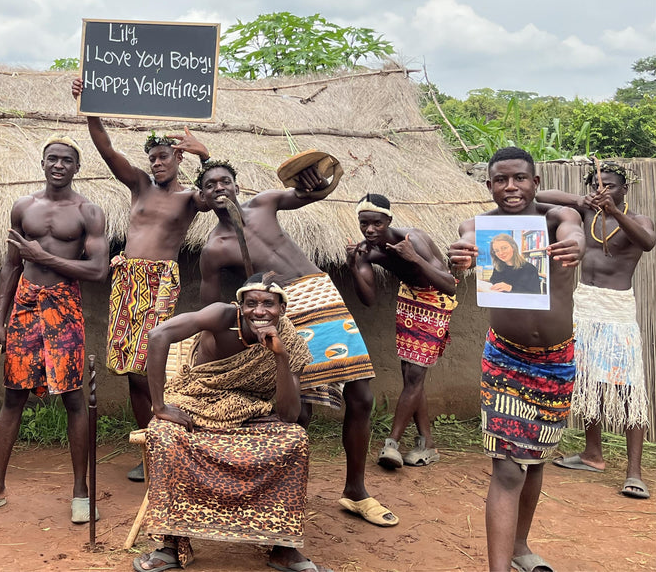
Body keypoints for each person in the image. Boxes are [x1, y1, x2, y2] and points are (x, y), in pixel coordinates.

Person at [198, 160, 397, 528]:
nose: (220, 188)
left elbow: (310, 194)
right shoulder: (214, 248)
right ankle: (284, 495)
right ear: (204, 197)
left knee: (362, 397)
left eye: (226, 181)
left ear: (237, 186)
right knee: (298, 410)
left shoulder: (265, 203)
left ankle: (355, 491)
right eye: (211, 185)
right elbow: (212, 308)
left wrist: (317, 181)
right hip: (281, 310)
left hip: (322, 295)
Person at [448, 147, 584, 572]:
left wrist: (574, 248)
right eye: (501, 180)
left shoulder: (558, 221)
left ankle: (521, 546)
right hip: (505, 357)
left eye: (520, 178)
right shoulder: (479, 226)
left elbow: (576, 231)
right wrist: (462, 257)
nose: (511, 187)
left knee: (536, 459)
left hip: (557, 360)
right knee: (508, 469)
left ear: (535, 182)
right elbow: (466, 245)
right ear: (489, 186)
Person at [0, 135, 108, 523]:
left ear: (77, 167)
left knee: (74, 398)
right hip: (24, 308)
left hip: (64, 306)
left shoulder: (89, 212)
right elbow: (10, 265)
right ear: (42, 163)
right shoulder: (23, 207)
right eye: (52, 158)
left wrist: (44, 257)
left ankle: (80, 491)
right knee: (14, 396)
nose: (59, 165)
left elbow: (97, 270)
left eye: (67, 160)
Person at [133, 272, 326, 572]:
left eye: (268, 304)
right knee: (165, 435)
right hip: (196, 399)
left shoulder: (289, 340)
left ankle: (283, 547)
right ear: (240, 305)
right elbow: (158, 335)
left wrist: (281, 357)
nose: (259, 311)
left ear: (282, 309)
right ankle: (170, 545)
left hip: (250, 411)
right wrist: (159, 406)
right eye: (251, 303)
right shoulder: (222, 316)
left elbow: (289, 415)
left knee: (295, 440)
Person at [72, 78, 210, 482]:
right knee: (131, 369)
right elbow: (106, 148)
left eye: (164, 156)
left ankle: (167, 442)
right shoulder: (140, 187)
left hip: (158, 281)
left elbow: (218, 196)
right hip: (127, 280)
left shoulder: (189, 198)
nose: (156, 163)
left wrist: (206, 157)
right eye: (152, 158)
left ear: (178, 158)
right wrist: (90, 108)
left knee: (151, 362)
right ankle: (150, 444)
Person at [539, 161, 656, 499]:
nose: (603, 190)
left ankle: (634, 473)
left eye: (611, 185)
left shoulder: (638, 220)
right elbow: (541, 196)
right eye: (597, 185)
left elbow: (647, 242)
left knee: (629, 391)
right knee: (586, 380)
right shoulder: (586, 213)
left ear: (625, 190)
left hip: (617, 310)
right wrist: (583, 199)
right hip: (584, 305)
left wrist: (614, 211)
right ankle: (593, 455)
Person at [346, 193, 458, 470]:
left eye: (377, 224)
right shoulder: (366, 251)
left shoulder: (413, 240)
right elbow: (369, 299)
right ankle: (427, 444)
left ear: (389, 221)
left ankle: (391, 444)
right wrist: (354, 266)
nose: (370, 230)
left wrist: (414, 259)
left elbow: (450, 285)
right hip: (410, 298)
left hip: (437, 298)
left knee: (416, 373)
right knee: (410, 373)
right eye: (364, 224)